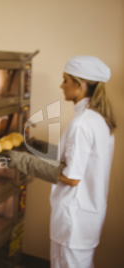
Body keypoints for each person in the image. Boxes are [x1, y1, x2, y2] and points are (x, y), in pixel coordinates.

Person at [8, 55, 116, 268]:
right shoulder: (98, 119)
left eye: (65, 80)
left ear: (80, 85)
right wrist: (35, 146)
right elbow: (77, 160)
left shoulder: (82, 124)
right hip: (88, 214)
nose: (62, 85)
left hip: (74, 218)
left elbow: (71, 176)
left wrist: (16, 159)